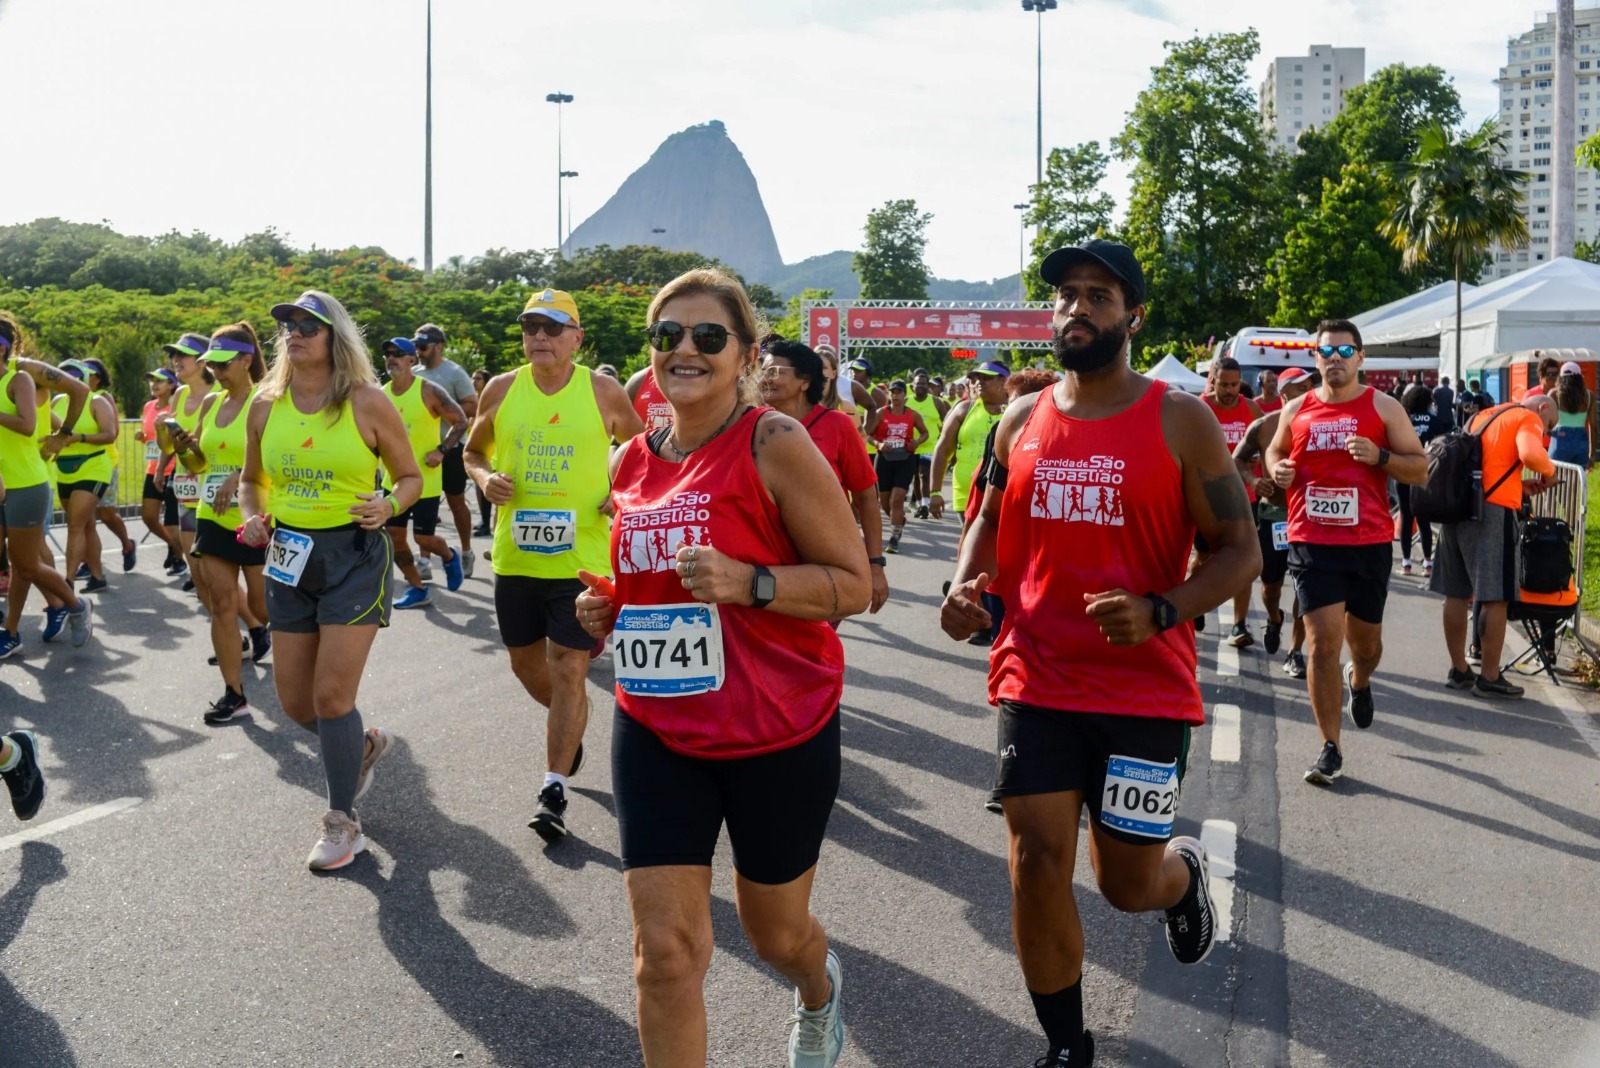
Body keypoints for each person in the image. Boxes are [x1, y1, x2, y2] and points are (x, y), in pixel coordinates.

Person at [940, 240, 1257, 1068]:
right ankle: (1067, 1045)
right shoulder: (1020, 417)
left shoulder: (1179, 420)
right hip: (1035, 675)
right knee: (1036, 860)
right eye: (1066, 296)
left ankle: (1179, 879)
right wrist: (966, 585)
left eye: (1099, 296)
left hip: (1143, 690)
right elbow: (989, 515)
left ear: (1133, 317)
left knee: (1125, 885)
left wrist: (1163, 611)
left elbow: (1239, 549)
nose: (1077, 308)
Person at [574, 266, 870, 1068]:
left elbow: (854, 584)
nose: (686, 350)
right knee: (663, 955)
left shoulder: (775, 441)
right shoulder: (628, 461)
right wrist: (605, 608)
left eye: (710, 336)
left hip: (777, 728)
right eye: (668, 335)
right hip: (658, 728)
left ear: (744, 355)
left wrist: (752, 583)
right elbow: (639, 582)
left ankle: (819, 988)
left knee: (776, 935)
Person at [237, 290, 421, 871]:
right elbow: (250, 481)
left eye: (307, 324)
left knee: (332, 696)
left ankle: (342, 822)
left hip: (355, 557)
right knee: (296, 703)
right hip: (290, 557)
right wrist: (251, 515)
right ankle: (361, 747)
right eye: (288, 324)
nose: (295, 332)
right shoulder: (265, 407)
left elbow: (410, 476)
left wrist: (389, 504)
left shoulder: (367, 402)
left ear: (334, 335)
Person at [464, 288, 644, 843]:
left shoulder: (602, 390)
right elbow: (472, 453)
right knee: (527, 667)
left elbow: (647, 456)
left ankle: (553, 786)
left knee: (569, 666)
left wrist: (622, 493)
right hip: (516, 558)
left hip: (582, 560)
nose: (539, 337)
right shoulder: (501, 388)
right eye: (530, 327)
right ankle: (570, 729)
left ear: (576, 338)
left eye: (551, 327)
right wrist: (483, 478)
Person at [1266, 319, 1428, 785]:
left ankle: (1360, 679)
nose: (1334, 359)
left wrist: (1380, 458)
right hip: (1313, 542)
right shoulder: (1296, 410)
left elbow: (1419, 470)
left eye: (1344, 351)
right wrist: (1279, 471)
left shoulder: (1383, 407)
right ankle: (1329, 747)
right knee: (1320, 645)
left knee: (1367, 645)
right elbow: (1276, 454)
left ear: (1360, 358)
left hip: (1369, 544)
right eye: (1325, 351)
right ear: (1315, 359)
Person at [173, 326, 272, 723]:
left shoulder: (266, 402)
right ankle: (234, 693)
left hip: (255, 519)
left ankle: (298, 654)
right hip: (211, 517)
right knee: (222, 604)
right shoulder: (212, 402)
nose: (215, 371)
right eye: (210, 364)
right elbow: (199, 464)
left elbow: (274, 459)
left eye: (223, 364)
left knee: (266, 610)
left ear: (247, 361)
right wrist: (185, 449)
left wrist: (239, 477)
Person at [1432, 394, 1560, 699]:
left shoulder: (1484, 415)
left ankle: (1459, 668)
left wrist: (1520, 485)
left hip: (1457, 506)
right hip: (1491, 512)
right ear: (1542, 408)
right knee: (1495, 596)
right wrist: (1550, 472)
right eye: (1550, 425)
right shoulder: (1527, 417)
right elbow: (1530, 454)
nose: (1547, 433)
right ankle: (1489, 676)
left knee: (1456, 592)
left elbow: (1487, 462)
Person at [757, 337, 889, 614]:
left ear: (805, 381)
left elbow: (866, 497)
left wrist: (875, 565)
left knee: (812, 642)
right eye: (763, 371)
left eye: (775, 372)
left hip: (826, 562)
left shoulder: (837, 425)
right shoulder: (751, 424)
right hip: (765, 557)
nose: (765, 379)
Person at [0, 316, 93, 655]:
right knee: (18, 561)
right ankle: (11, 628)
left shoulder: (22, 374)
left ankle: (71, 605)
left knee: (27, 562)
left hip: (28, 480)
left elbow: (29, 423)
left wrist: (64, 434)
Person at [1233, 367, 1319, 672]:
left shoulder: (1324, 423)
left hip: (1311, 517)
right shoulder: (1264, 425)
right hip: (1274, 516)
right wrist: (1254, 482)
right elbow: (1238, 460)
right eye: (1300, 388)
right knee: (1270, 587)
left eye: (1310, 386)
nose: (1309, 392)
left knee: (1304, 588)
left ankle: (1295, 651)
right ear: (1283, 393)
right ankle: (1273, 618)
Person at [380, 338, 468, 610]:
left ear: (412, 360)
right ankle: (417, 588)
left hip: (424, 480)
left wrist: (442, 450)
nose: (391, 358)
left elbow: (461, 420)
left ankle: (449, 555)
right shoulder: (380, 394)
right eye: (388, 354)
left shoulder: (428, 391)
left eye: (399, 354)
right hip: (392, 480)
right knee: (394, 536)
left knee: (423, 539)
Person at [1200, 357, 1265, 647]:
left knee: (1243, 560)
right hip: (1204, 496)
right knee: (1203, 559)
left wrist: (1259, 459)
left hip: (1243, 495)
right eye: (1224, 384)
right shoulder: (1199, 407)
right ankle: (1195, 604)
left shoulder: (1250, 408)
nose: (1229, 390)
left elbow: (1268, 439)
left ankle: (1239, 625)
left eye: (1234, 384)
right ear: (1213, 380)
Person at [411, 323, 479, 578]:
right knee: (424, 506)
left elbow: (472, 407)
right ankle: (425, 561)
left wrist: (441, 407)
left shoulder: (454, 373)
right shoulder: (414, 373)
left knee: (456, 501)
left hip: (449, 448)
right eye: (416, 346)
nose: (418, 351)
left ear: (438, 346)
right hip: (421, 450)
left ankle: (466, 550)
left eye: (423, 346)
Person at [48, 360, 119, 595]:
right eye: (64, 376)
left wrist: (78, 438)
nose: (69, 381)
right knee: (86, 524)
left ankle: (68, 581)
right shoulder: (57, 402)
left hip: (94, 467)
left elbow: (110, 434)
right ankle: (97, 576)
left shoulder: (97, 401)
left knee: (75, 525)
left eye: (76, 376)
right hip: (65, 469)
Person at [160, 332, 219, 595]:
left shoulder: (220, 391)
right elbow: (172, 441)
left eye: (183, 354)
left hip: (216, 488)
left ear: (203, 360)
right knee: (195, 564)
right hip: (185, 485)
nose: (176, 360)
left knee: (217, 568)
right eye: (174, 355)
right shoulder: (180, 395)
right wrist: (162, 468)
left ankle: (252, 624)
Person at [76, 358, 138, 575]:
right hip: (81, 466)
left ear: (97, 378)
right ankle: (89, 562)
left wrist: (80, 437)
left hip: (105, 463)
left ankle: (127, 544)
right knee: (84, 519)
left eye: (87, 373)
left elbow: (114, 432)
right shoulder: (74, 398)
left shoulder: (102, 397)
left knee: (106, 513)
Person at [928, 361, 1009, 524]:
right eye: (977, 378)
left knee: (998, 548)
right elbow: (943, 450)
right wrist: (935, 492)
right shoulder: (964, 409)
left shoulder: (1018, 410)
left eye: (987, 378)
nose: (980, 382)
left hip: (1005, 495)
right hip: (966, 494)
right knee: (970, 546)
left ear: (1004, 380)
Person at [871, 380, 929, 555]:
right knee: (885, 501)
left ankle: (894, 537)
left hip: (905, 459)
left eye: (899, 392)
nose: (895, 396)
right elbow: (869, 435)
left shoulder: (913, 415)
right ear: (889, 395)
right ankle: (899, 521)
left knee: (897, 499)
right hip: (884, 459)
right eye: (892, 392)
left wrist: (916, 442)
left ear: (905, 395)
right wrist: (879, 444)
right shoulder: (881, 413)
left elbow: (925, 433)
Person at [136, 368, 184, 575]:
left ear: (172, 385)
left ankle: (180, 558)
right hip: (153, 468)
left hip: (172, 468)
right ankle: (174, 547)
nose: (154, 385)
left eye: (160, 381)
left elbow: (174, 437)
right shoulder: (148, 406)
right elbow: (151, 436)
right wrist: (142, 436)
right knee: (148, 516)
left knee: (173, 522)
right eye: (151, 380)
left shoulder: (177, 405)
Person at [1398, 383, 1445, 576]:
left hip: (1402, 471)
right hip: (1424, 472)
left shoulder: (1403, 419)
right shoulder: (1434, 421)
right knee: (1423, 517)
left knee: (1406, 517)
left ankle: (1406, 563)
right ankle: (1427, 563)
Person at [905, 368, 948, 519]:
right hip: (910, 445)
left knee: (924, 474)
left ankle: (924, 504)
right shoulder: (906, 401)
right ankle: (919, 502)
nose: (921, 386)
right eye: (918, 384)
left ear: (928, 386)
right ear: (913, 385)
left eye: (924, 384)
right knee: (916, 476)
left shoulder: (936, 402)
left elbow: (946, 421)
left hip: (930, 445)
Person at [1550, 361, 1595, 467]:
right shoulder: (1589, 396)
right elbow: (1593, 427)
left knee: (1555, 477)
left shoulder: (1554, 394)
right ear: (1580, 378)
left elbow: (1546, 421)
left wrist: (1549, 432)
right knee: (1575, 479)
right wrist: (1592, 455)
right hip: (1581, 442)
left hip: (1559, 440)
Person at [470, 367, 494, 535]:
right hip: (476, 450)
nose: (474, 382)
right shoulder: (472, 401)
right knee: (480, 488)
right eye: (473, 378)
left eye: (478, 379)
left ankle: (489, 524)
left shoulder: (493, 398)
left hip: (493, 454)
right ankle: (484, 521)